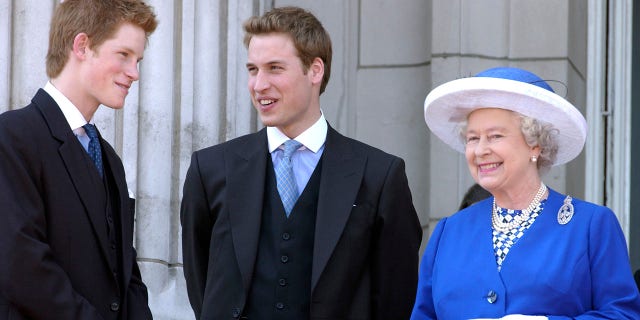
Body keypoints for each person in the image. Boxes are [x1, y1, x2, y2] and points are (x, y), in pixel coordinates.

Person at [180, 6, 422, 319]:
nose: (259, 84)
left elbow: (394, 296)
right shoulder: (210, 169)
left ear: (315, 70)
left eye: (274, 68)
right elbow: (202, 283)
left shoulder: (379, 176)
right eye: (253, 70)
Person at [411, 67, 640, 319]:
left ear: (535, 144)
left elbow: (623, 314)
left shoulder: (590, 226)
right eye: (473, 138)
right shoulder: (448, 232)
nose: (480, 150)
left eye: (495, 136)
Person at [0, 1, 157, 319]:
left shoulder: (109, 159)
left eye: (137, 60)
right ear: (82, 45)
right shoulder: (12, 136)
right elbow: (22, 265)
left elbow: (126, 273)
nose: (134, 74)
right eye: (124, 55)